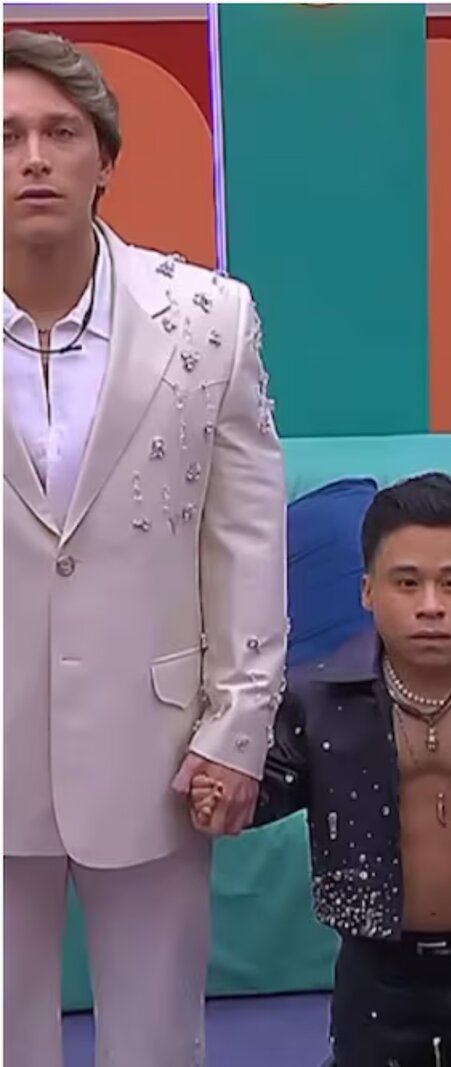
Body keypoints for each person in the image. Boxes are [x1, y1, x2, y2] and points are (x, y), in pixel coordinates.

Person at [3, 29, 287, 1067]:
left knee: (158, 1039)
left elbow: (247, 534)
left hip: (158, 746)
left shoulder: (210, 318)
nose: (34, 158)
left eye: (60, 133)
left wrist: (238, 725)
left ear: (105, 160)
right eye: (7, 136)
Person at [191, 472, 451, 1067]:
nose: (430, 605)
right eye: (407, 582)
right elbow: (261, 787)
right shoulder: (316, 698)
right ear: (367, 591)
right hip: (373, 972)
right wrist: (220, 793)